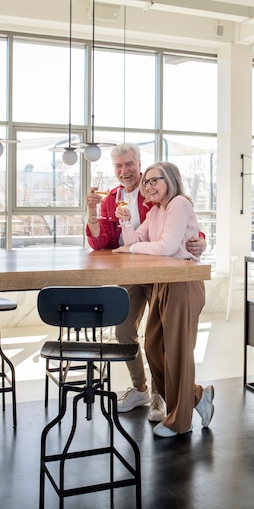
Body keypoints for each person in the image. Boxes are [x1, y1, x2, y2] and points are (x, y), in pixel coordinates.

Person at [85, 143, 206, 422]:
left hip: (164, 276)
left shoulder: (157, 196)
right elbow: (100, 241)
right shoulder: (113, 198)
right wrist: (92, 214)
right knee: (125, 331)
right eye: (118, 166)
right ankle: (142, 389)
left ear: (139, 165)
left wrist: (200, 241)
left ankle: (160, 397)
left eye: (129, 164)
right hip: (132, 274)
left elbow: (182, 233)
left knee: (166, 341)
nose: (124, 171)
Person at [113, 161, 214, 437]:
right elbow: (135, 238)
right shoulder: (156, 211)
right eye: (146, 182)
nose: (149, 186)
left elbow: (168, 247)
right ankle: (196, 397)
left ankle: (180, 422)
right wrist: (124, 221)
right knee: (154, 346)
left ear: (170, 180)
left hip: (182, 284)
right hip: (163, 283)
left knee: (178, 352)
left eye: (154, 180)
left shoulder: (178, 204)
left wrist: (133, 248)